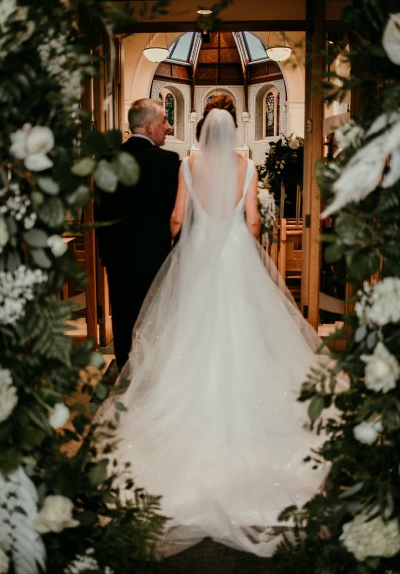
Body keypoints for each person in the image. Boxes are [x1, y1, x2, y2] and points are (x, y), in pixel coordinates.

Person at [100, 106, 329, 557]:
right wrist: (239, 237)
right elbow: (254, 221)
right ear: (235, 133)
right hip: (235, 257)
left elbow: (177, 219)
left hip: (200, 257)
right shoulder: (247, 167)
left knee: (190, 332)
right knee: (244, 332)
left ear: (201, 133)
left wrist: (186, 241)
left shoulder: (187, 163)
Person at [95, 98, 180, 370]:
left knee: (122, 319)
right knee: (152, 318)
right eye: (164, 122)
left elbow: (100, 210)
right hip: (154, 256)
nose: (168, 127)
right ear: (149, 125)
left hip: (117, 255)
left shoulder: (106, 159)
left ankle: (124, 372)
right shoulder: (167, 161)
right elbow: (174, 211)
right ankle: (149, 375)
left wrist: (104, 250)